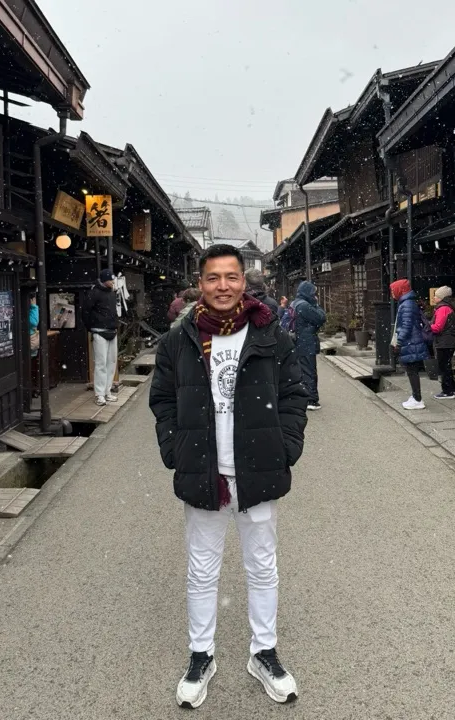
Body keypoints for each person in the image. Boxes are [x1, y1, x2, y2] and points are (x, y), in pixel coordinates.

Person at [150, 243, 308, 709]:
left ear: (245, 281)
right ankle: (201, 655)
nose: (223, 286)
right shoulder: (178, 340)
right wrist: (175, 450)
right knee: (202, 570)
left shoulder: (270, 335)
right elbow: (162, 400)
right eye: (214, 277)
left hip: (258, 470)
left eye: (231, 277)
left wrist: (286, 447)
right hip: (204, 470)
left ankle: (264, 653)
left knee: (262, 566)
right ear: (200, 283)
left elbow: (293, 395)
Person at [390, 278, 429, 410]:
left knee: (412, 371)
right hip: (412, 341)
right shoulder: (408, 303)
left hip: (410, 342)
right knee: (412, 370)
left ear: (400, 290)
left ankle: (417, 399)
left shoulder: (406, 304)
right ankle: (415, 396)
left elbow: (406, 326)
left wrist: (399, 342)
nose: (392, 293)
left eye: (393, 290)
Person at [82, 268, 119, 406]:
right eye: (110, 280)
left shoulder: (112, 293)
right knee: (101, 364)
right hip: (99, 330)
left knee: (111, 363)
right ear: (104, 280)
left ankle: (107, 391)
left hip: (112, 330)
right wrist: (90, 327)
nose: (113, 282)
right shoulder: (94, 293)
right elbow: (85, 311)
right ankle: (99, 394)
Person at [291, 281, 326, 411]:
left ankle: (302, 397)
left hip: (298, 341)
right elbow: (320, 318)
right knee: (309, 371)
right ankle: (311, 400)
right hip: (305, 342)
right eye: (313, 292)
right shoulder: (304, 306)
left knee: (301, 371)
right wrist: (316, 304)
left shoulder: (295, 303)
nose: (315, 295)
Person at [431, 286, 455, 399]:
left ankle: (447, 391)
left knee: (443, 366)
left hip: (444, 341)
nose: (434, 297)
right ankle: (453, 387)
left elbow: (437, 327)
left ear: (442, 297)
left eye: (436, 296)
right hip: (448, 340)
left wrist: (427, 327)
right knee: (446, 365)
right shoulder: (448, 307)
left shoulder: (443, 308)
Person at [28, 293, 39, 358]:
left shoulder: (31, 309)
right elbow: (34, 322)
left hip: (32, 340)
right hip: (32, 340)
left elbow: (34, 322)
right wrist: (34, 307)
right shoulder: (32, 309)